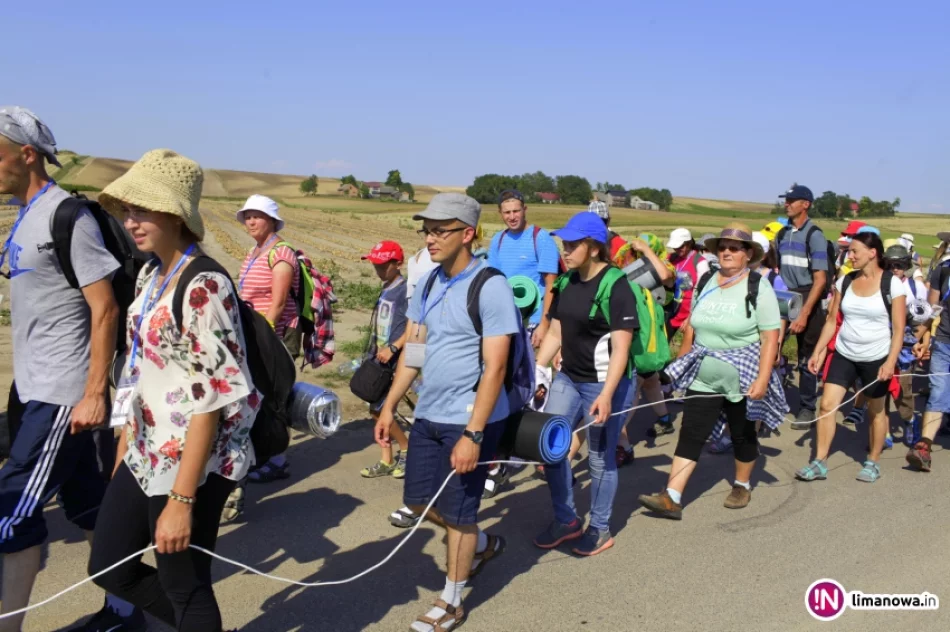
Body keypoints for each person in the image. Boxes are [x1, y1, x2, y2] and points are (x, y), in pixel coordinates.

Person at [85, 149, 257, 632]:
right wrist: (124, 441)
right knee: (108, 565)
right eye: (127, 210)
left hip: (190, 462)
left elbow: (211, 398)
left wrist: (182, 500)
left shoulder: (203, 285)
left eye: (143, 210)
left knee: (184, 584)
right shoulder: (152, 274)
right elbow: (139, 371)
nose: (131, 221)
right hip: (145, 449)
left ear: (176, 214)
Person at [0, 106, 144, 632]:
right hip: (32, 387)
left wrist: (93, 394)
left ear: (26, 153)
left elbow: (104, 307)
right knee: (87, 503)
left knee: (9, 513)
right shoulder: (25, 214)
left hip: (63, 393)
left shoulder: (68, 216)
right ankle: (126, 612)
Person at [375, 193, 519, 632]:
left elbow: (495, 366)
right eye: (427, 230)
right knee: (417, 500)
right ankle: (475, 544)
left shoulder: (490, 285)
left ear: (468, 233)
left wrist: (474, 433)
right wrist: (389, 404)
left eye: (441, 230)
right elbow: (413, 352)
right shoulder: (430, 283)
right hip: (429, 414)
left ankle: (452, 601)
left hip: (468, 418)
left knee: (458, 513)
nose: (430, 238)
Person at [638, 224, 785, 518]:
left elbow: (770, 336)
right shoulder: (706, 279)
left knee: (743, 435)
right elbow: (692, 324)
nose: (727, 252)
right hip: (704, 374)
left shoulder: (759, 286)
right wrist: (683, 359)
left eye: (735, 248)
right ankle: (672, 496)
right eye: (722, 247)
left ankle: (742, 485)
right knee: (691, 433)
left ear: (747, 254)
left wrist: (763, 378)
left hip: (743, 376)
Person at [532, 212, 636, 555]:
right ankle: (566, 519)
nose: (566, 250)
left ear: (594, 248)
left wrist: (607, 395)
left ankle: (601, 528)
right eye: (565, 243)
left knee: (600, 460)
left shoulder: (616, 285)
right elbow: (557, 331)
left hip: (605, 385)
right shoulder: (566, 282)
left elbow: (622, 347)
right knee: (551, 448)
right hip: (569, 378)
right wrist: (538, 369)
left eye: (574, 244)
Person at [795, 231, 906, 483]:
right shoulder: (845, 280)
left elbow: (899, 329)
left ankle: (873, 461)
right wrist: (818, 351)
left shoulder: (892, 284)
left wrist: (890, 362)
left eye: (855, 251)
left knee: (876, 412)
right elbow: (832, 320)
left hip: (876, 356)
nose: (850, 256)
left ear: (872, 253)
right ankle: (819, 461)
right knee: (826, 405)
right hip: (845, 354)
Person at [611, 234, 676, 465]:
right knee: (650, 381)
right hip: (635, 327)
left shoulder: (664, 265)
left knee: (633, 385)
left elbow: (666, 277)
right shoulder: (628, 266)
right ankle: (665, 417)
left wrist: (647, 251)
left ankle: (619, 440)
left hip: (648, 334)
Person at [774, 185, 830, 430]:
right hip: (784, 293)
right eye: (786, 200)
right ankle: (767, 400)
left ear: (805, 204)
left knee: (807, 355)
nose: (786, 203)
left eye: (792, 200)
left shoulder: (814, 235)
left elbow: (820, 280)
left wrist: (804, 313)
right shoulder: (781, 234)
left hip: (808, 296)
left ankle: (807, 408)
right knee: (770, 345)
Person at [359, 241, 410, 479]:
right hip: (379, 356)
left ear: (397, 264)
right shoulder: (387, 287)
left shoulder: (405, 290)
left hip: (395, 358)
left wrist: (394, 347)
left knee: (381, 408)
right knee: (375, 408)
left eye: (382, 265)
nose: (377, 270)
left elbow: (414, 325)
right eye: (375, 265)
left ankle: (407, 448)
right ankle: (386, 459)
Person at [488, 189, 560, 346]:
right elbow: (491, 282)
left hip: (533, 322)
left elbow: (551, 285)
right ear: (500, 213)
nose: (512, 217)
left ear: (525, 210)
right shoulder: (497, 240)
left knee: (530, 369)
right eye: (507, 212)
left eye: (516, 211)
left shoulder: (541, 238)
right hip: (505, 320)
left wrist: (544, 325)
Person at [906, 230, 950, 472]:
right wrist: (922, 335)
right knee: (938, 390)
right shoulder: (943, 269)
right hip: (944, 340)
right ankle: (924, 446)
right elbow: (934, 307)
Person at [882, 244, 927, 446]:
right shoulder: (879, 284)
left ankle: (909, 421)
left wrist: (918, 342)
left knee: (903, 391)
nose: (895, 269)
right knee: (878, 390)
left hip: (905, 347)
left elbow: (924, 320)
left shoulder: (916, 289)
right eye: (890, 264)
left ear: (906, 265)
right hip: (880, 342)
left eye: (899, 264)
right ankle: (882, 431)